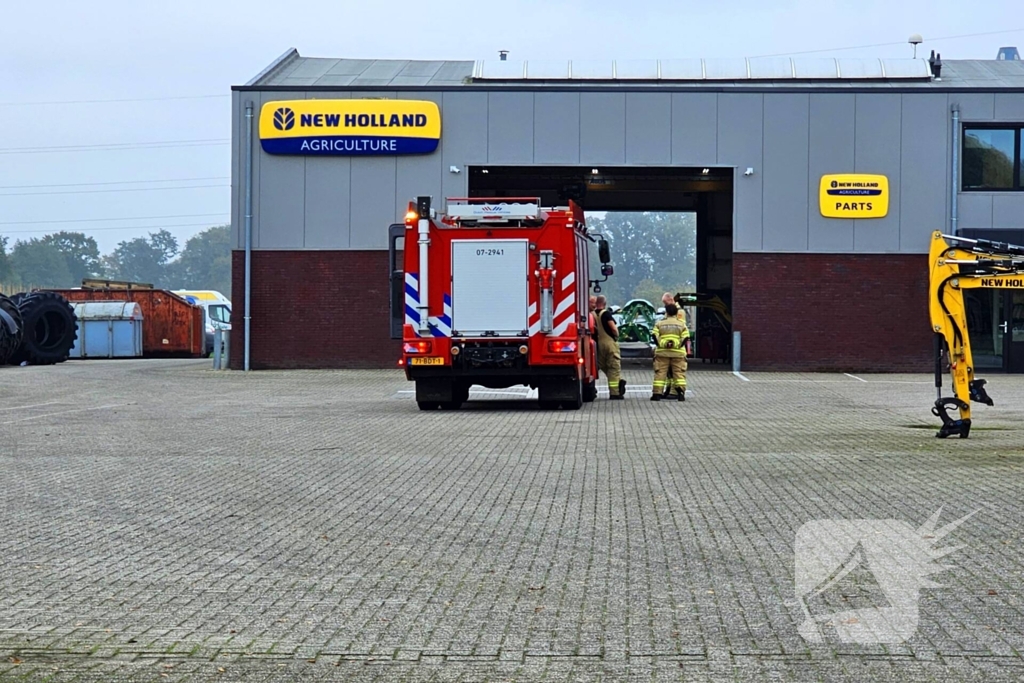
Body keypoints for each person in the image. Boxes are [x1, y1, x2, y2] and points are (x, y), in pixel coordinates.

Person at [651, 302, 690, 401]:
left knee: (660, 373)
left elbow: (654, 335)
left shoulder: (660, 323)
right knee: (678, 373)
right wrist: (678, 346)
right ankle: (680, 392)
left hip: (662, 353)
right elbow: (686, 337)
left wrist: (660, 345)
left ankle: (657, 394)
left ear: (666, 312)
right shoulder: (682, 324)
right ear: (677, 313)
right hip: (678, 353)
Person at [659, 292, 691, 397]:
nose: (665, 305)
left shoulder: (679, 312)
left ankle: (675, 392)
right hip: (669, 346)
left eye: (665, 302)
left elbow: (679, 328)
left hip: (676, 346)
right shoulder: (670, 311)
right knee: (669, 372)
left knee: (676, 371)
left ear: (671, 299)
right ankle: (669, 390)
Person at [594, 295, 626, 400]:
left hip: (598, 344)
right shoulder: (606, 314)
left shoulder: (592, 314)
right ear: (605, 303)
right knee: (613, 367)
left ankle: (618, 383)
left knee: (603, 366)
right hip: (609, 344)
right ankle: (615, 393)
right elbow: (613, 328)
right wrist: (617, 335)